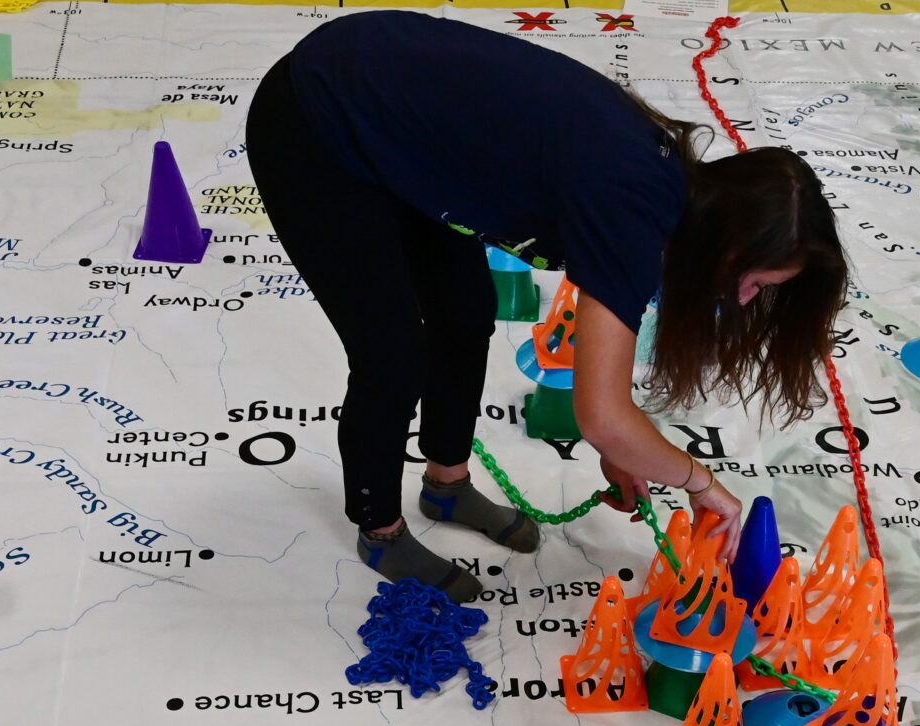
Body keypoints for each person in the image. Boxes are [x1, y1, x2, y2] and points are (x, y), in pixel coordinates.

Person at [246, 11, 848, 602]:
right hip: (315, 120)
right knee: (393, 352)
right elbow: (602, 414)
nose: (746, 301)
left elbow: (605, 409)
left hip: (396, 122)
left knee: (465, 310)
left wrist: (622, 451)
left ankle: (446, 485)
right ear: (732, 245)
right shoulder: (633, 211)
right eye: (756, 282)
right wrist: (702, 485)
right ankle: (379, 531)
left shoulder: (670, 198)